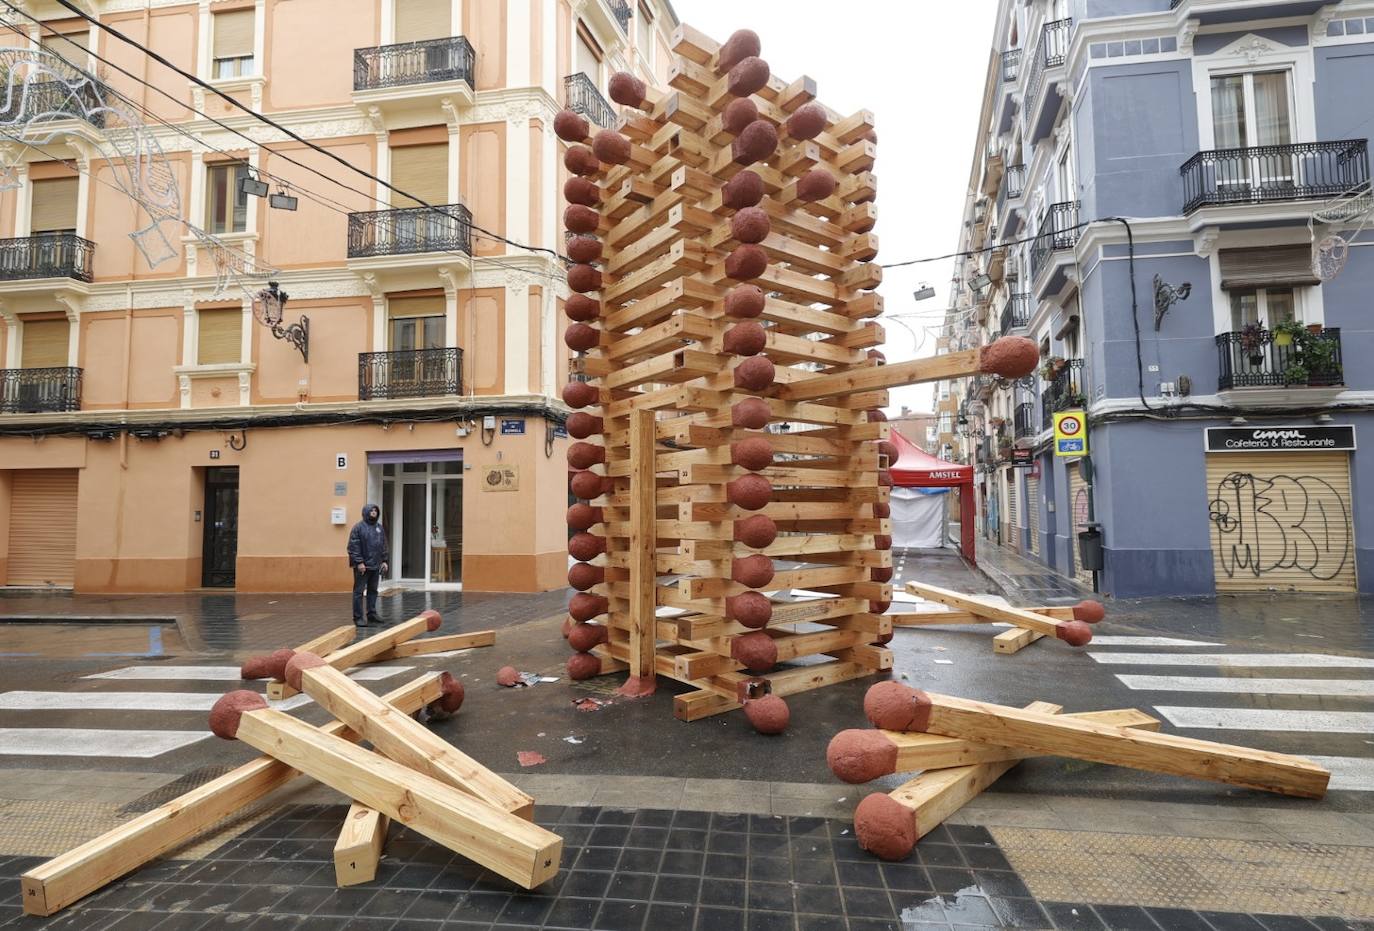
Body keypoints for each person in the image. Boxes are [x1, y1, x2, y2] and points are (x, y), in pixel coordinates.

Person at [347, 502, 389, 627]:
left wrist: (385, 561)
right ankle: (358, 617)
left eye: (375, 511)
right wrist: (359, 562)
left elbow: (383, 545)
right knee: (358, 592)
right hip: (363, 567)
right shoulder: (358, 528)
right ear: (366, 512)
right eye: (372, 511)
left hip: (375, 566)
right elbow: (353, 547)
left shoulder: (379, 528)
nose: (374, 513)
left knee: (373, 591)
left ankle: (372, 614)